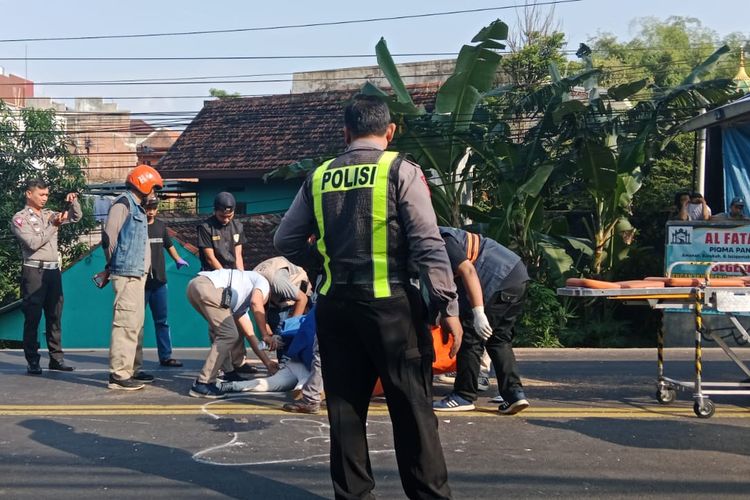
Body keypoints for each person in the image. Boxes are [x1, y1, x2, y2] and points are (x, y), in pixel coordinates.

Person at [274, 93, 462, 500]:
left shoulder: (320, 176)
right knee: (412, 408)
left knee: (345, 409)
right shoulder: (401, 170)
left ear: (346, 133)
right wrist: (447, 305)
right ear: (390, 132)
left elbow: (284, 238)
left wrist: (323, 261)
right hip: (391, 307)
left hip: (336, 308)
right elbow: (428, 242)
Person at [432, 227, 530, 415]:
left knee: (470, 337)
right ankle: (514, 395)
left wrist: (478, 312)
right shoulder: (441, 235)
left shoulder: (438, 239)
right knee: (498, 339)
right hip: (517, 277)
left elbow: (468, 271)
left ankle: (463, 395)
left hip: (498, 277)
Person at [101, 165, 163, 391]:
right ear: (144, 183)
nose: (154, 193)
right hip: (126, 273)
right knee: (125, 324)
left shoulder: (137, 207)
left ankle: (132, 369)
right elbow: (109, 238)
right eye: (154, 188)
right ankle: (119, 374)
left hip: (138, 274)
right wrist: (113, 265)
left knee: (136, 325)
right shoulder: (124, 203)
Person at [11, 179, 82, 375]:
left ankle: (56, 359)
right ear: (29, 194)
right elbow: (33, 243)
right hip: (34, 271)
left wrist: (73, 201)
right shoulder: (20, 218)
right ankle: (33, 361)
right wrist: (54, 226)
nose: (44, 198)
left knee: (55, 316)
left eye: (46, 195)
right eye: (41, 194)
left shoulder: (50, 214)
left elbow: (76, 217)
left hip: (53, 271)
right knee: (33, 318)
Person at [186, 269, 280, 398]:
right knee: (229, 334)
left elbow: (250, 334)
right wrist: (265, 334)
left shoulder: (241, 302)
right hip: (210, 287)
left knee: (220, 332)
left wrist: (268, 363)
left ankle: (229, 373)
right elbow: (256, 303)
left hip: (195, 286)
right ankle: (203, 382)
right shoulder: (263, 282)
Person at [197, 191, 254, 375]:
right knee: (219, 325)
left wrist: (241, 279)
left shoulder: (237, 226)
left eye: (229, 215)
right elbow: (210, 257)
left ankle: (239, 362)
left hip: (233, 278)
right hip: (214, 279)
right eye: (222, 215)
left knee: (236, 320)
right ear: (215, 211)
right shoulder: (206, 227)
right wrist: (224, 278)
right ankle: (225, 367)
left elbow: (238, 255)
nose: (226, 219)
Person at [144, 195, 190, 367]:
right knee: (136, 323)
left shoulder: (160, 226)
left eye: (154, 208)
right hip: (141, 283)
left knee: (162, 322)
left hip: (160, 283)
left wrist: (178, 259)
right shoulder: (138, 227)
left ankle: (166, 356)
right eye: (148, 207)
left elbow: (169, 245)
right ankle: (133, 359)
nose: (151, 211)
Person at [253, 256, 312, 339]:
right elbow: (260, 311)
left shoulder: (278, 283)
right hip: (276, 296)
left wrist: (291, 328)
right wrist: (269, 335)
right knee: (277, 335)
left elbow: (303, 299)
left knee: (286, 333)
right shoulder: (252, 285)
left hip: (297, 288)